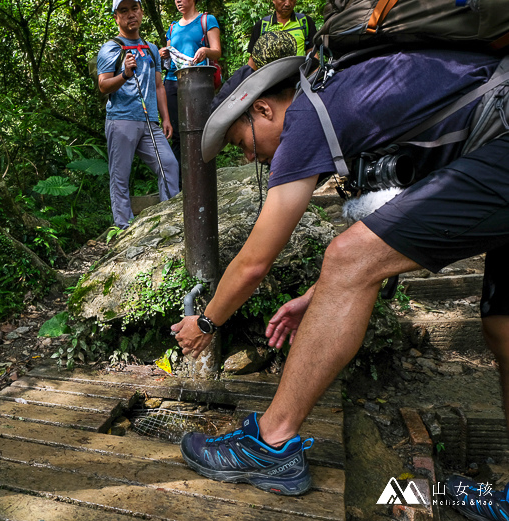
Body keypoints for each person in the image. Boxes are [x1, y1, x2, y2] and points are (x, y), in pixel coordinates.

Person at [170, 49, 509, 516]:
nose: (249, 156)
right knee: (503, 329)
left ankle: (272, 443)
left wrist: (205, 324)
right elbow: (399, 225)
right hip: (495, 138)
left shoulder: (307, 117)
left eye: (240, 142)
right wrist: (319, 294)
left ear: (264, 109)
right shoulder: (342, 101)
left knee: (347, 255)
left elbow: (255, 262)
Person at [97, 0, 180, 230]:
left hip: (149, 121)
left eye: (134, 8)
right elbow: (103, 85)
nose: (131, 15)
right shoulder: (111, 48)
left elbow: (159, 86)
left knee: (169, 166)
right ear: (116, 17)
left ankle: (169, 217)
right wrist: (124, 74)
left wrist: (165, 118)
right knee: (120, 178)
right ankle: (124, 228)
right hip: (121, 119)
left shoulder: (151, 48)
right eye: (124, 11)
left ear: (141, 11)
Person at [158, 0, 221, 167]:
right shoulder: (172, 28)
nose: (178, 1)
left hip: (197, 81)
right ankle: (180, 182)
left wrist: (206, 51)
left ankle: (202, 172)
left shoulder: (207, 20)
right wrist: (163, 53)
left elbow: (217, 52)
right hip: (172, 82)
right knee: (177, 134)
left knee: (199, 128)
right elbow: (169, 55)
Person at [247, 0, 316, 58]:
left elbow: (313, 54)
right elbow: (253, 60)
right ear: (274, 1)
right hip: (271, 73)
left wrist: (315, 73)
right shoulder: (262, 25)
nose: (287, 4)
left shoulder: (305, 22)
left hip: (298, 72)